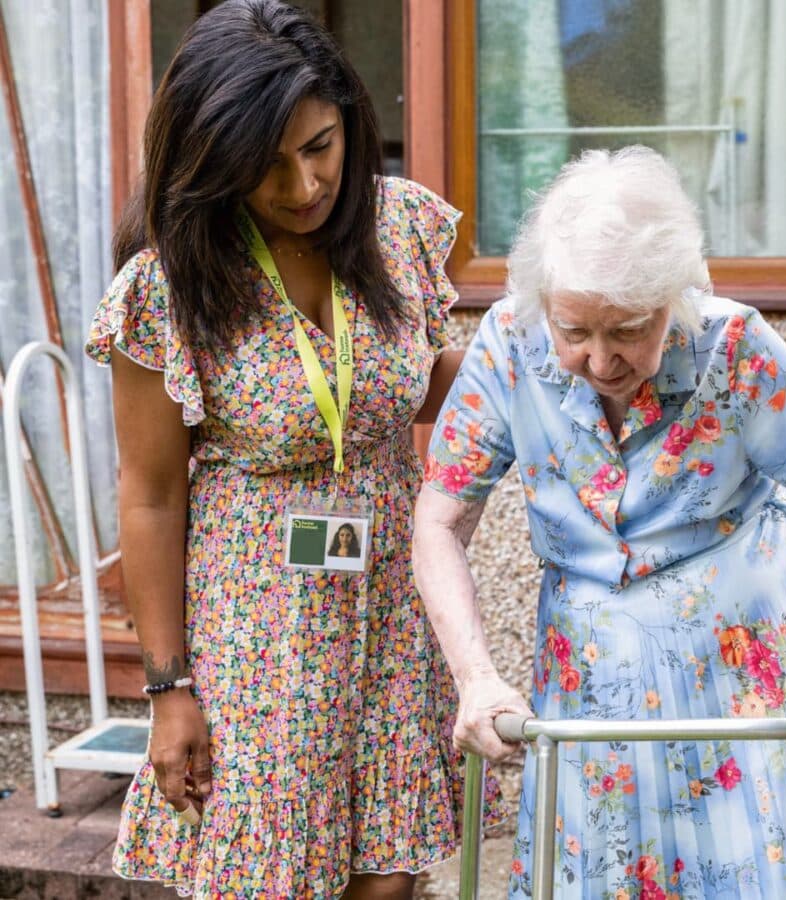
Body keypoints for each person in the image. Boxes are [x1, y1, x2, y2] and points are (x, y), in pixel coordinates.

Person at [413, 146, 786, 899]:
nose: (600, 359)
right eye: (575, 330)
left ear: (673, 300)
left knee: (766, 869)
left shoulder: (732, 348)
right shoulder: (508, 347)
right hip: (595, 674)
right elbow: (439, 523)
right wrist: (477, 679)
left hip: (748, 657)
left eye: (628, 331)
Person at [85, 2, 503, 896]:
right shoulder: (169, 287)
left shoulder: (395, 230)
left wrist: (550, 371)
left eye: (320, 145)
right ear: (214, 159)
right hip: (260, 622)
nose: (305, 184)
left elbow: (413, 382)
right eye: (267, 165)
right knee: (270, 878)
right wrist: (168, 689)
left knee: (389, 873)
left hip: (394, 600)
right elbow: (151, 497)